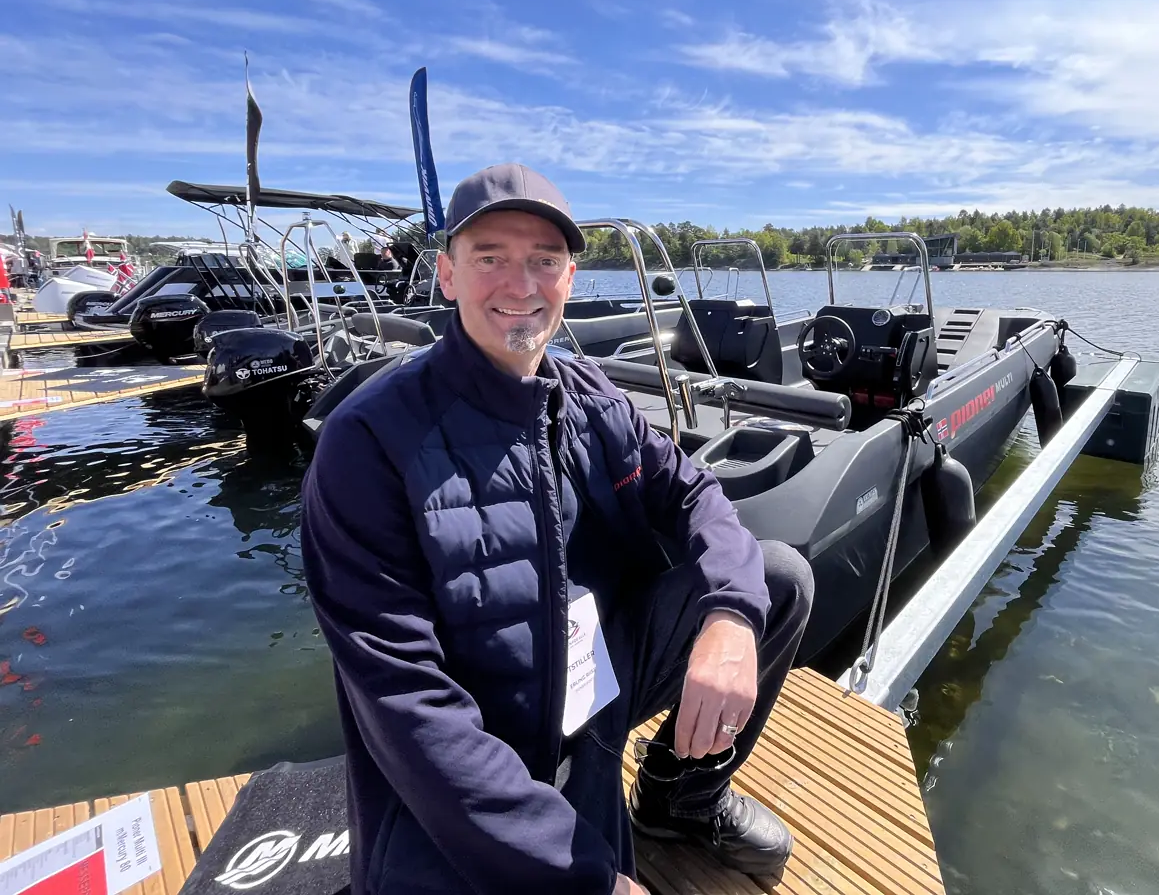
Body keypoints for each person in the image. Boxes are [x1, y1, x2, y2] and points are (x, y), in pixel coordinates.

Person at [301, 163, 813, 895]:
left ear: (569, 277)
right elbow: (407, 704)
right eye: (491, 260)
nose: (521, 284)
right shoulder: (369, 444)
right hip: (483, 744)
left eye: (543, 261)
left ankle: (680, 799)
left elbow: (695, 494)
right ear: (446, 275)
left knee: (779, 580)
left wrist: (730, 616)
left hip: (590, 691)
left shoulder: (589, 396)